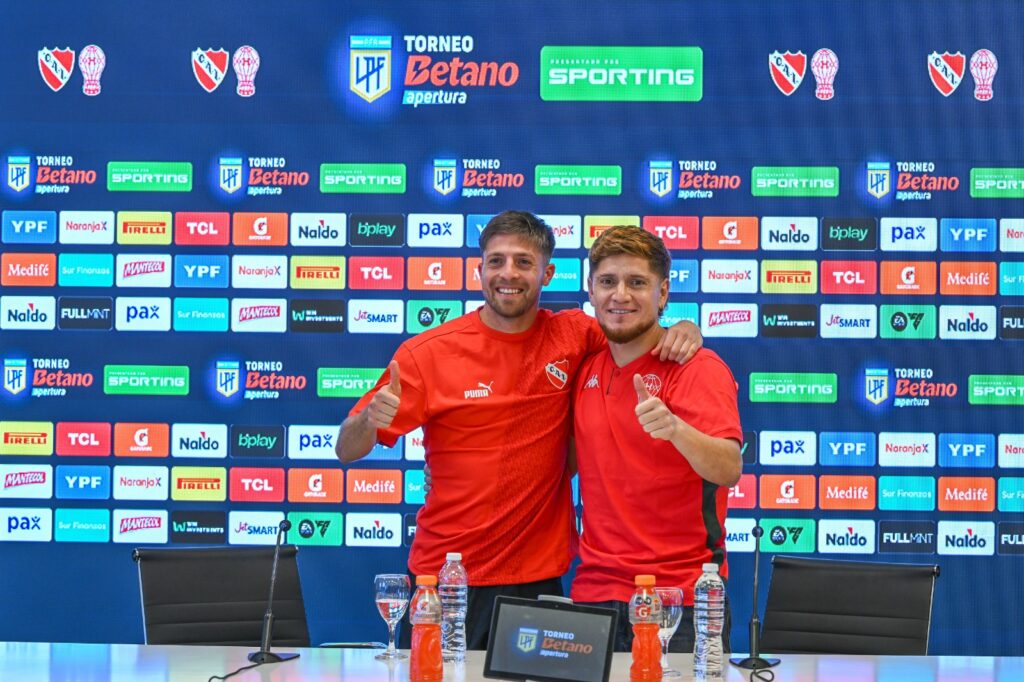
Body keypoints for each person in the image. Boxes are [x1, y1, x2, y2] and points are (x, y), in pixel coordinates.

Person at [336, 210, 703, 649]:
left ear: (547, 273)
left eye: (523, 262)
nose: (508, 273)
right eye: (496, 261)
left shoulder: (575, 335)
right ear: (480, 269)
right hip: (449, 580)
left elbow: (632, 327)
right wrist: (368, 420)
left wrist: (684, 329)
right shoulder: (427, 354)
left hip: (538, 581)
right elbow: (346, 449)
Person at [571, 225, 742, 653]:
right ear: (590, 290)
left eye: (637, 283)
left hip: (680, 597)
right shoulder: (584, 365)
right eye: (608, 282)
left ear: (662, 292)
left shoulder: (697, 368)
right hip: (594, 594)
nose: (620, 295)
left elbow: (729, 467)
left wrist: (675, 430)